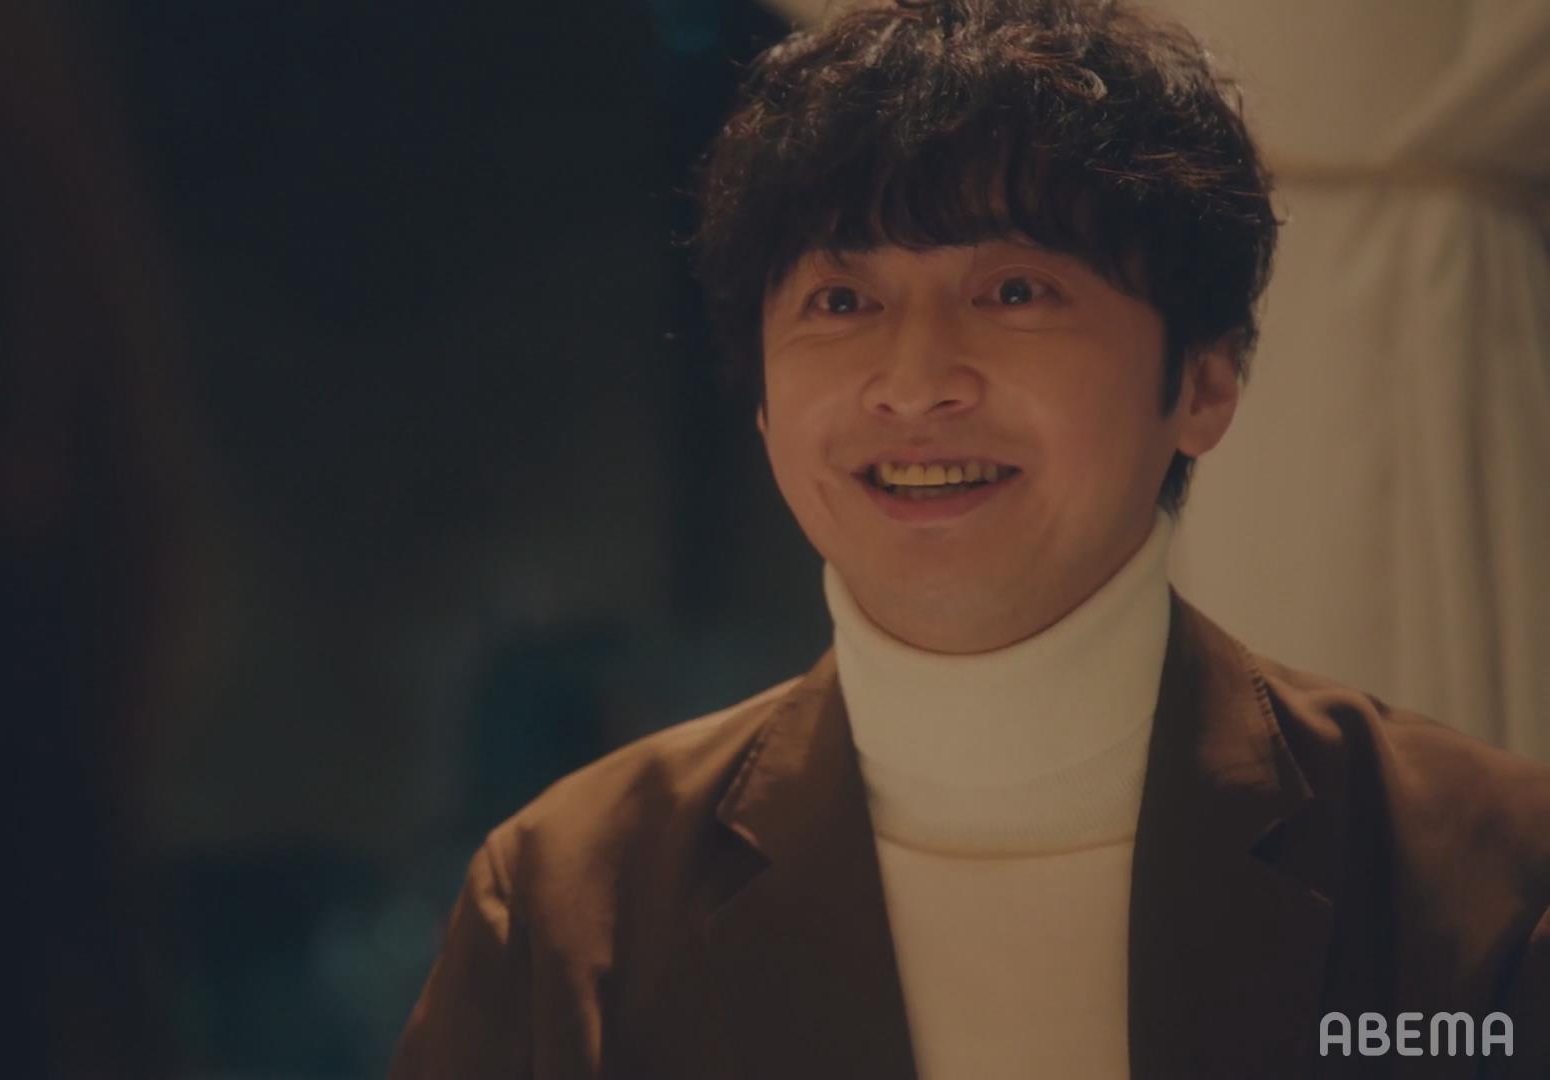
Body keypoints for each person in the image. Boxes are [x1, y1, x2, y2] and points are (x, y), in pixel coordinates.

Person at [385, 0, 1550, 1076]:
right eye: (843, 302)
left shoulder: (1483, 879)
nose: (915, 381)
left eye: (1015, 291)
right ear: (765, 406)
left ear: (1204, 382)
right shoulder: (568, 906)